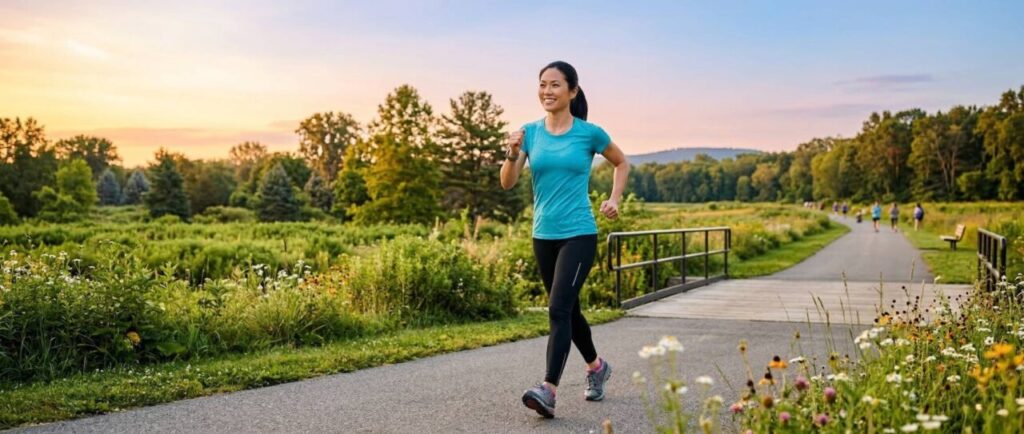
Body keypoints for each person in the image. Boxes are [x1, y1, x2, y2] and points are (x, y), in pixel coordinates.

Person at [500, 61, 629, 419]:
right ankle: (596, 367)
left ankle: (548, 390)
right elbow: (507, 182)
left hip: (579, 233)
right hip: (543, 234)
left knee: (557, 310)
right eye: (542, 84)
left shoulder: (589, 133)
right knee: (569, 311)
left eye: (555, 85)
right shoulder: (529, 133)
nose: (547, 91)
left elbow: (622, 162)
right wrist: (511, 154)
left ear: (572, 91)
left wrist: (614, 199)